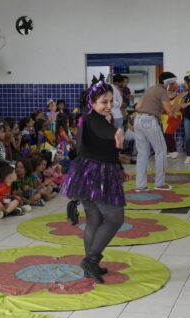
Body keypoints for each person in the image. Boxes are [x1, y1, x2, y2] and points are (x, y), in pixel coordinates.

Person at [61, 77, 127, 283]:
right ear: (92, 103)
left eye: (110, 101)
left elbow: (101, 142)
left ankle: (91, 263)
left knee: (95, 219)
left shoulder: (92, 118)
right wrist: (116, 132)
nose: (108, 106)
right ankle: (91, 260)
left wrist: (119, 166)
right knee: (115, 218)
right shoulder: (91, 119)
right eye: (104, 102)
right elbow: (104, 132)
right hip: (95, 175)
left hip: (89, 172)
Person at [134, 71, 176, 191]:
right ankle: (160, 183)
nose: (174, 85)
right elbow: (169, 112)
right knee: (161, 151)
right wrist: (178, 104)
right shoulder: (163, 91)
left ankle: (140, 186)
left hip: (138, 120)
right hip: (149, 121)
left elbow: (137, 107)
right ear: (167, 82)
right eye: (173, 82)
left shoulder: (150, 89)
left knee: (142, 154)